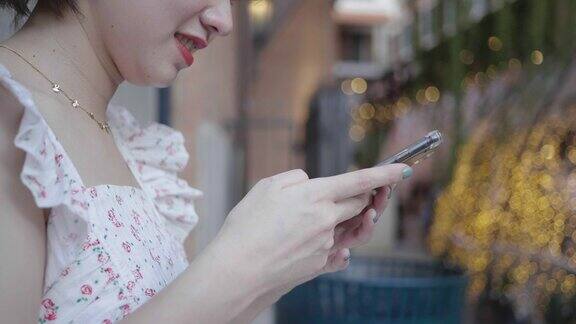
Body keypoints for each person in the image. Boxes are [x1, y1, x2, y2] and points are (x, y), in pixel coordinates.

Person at [0, 0, 413, 323]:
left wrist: (276, 267)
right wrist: (241, 264)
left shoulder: (128, 140)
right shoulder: (11, 121)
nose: (224, 21)